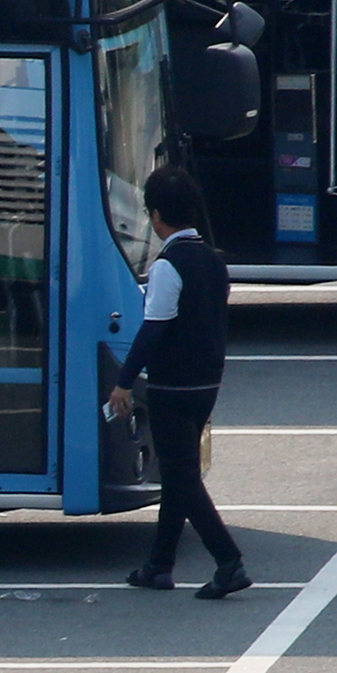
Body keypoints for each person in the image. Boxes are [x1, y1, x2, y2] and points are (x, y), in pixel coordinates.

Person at [109, 164, 251, 599]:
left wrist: (123, 382)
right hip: (208, 383)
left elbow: (153, 329)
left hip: (172, 386)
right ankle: (159, 564)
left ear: (155, 216)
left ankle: (228, 561)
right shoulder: (214, 261)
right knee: (177, 474)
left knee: (183, 479)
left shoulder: (168, 266)